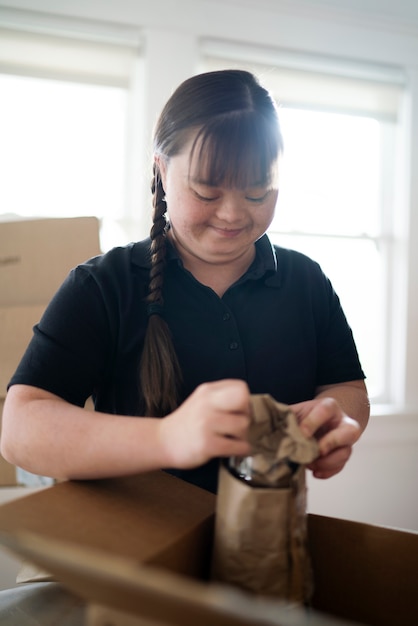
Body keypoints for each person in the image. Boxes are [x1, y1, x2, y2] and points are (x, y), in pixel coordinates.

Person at [1, 69, 369, 494]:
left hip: (267, 538)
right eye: (207, 192)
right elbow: (20, 429)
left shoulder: (306, 281)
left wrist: (335, 420)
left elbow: (346, 387)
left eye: (258, 192)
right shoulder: (103, 286)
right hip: (137, 547)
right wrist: (167, 438)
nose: (232, 214)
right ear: (161, 170)